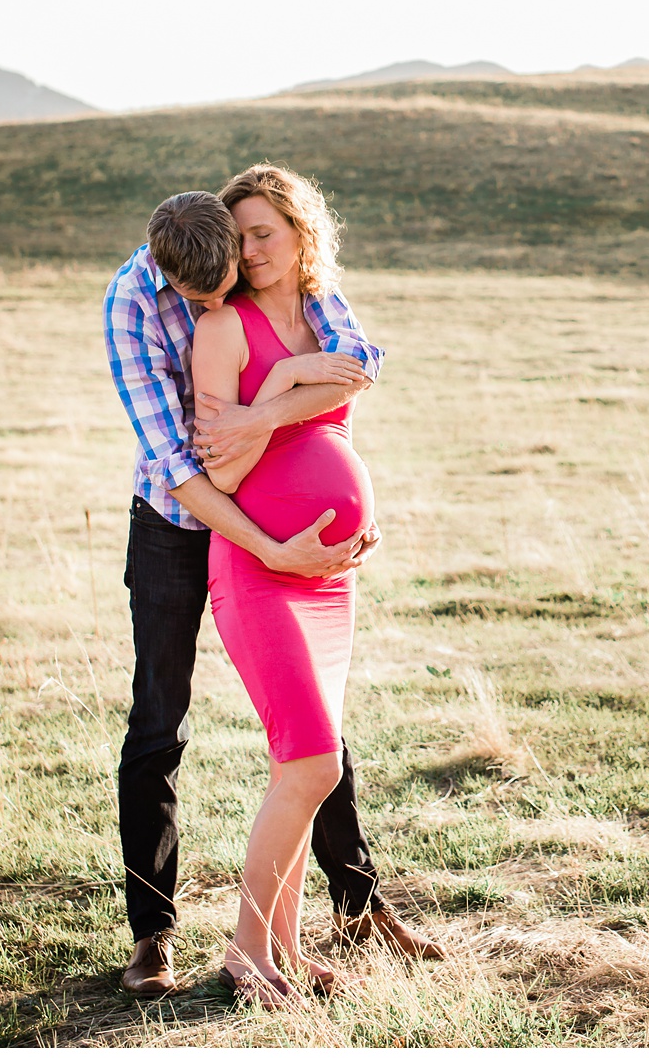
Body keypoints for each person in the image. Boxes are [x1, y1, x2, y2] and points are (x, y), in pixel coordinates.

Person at [103, 181, 442, 999]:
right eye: (211, 283)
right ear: (170, 272)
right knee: (160, 723)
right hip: (190, 526)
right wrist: (271, 540)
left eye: (257, 244)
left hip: (300, 552)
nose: (238, 273)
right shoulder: (140, 304)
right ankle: (155, 935)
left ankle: (349, 905)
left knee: (314, 744)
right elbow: (189, 465)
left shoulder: (288, 286)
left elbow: (356, 372)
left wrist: (295, 433)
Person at [190, 164, 385, 1001]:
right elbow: (218, 472)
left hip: (330, 582)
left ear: (302, 234)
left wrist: (272, 396)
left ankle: (287, 948)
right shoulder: (222, 330)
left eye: (264, 232)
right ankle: (244, 953)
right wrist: (282, 385)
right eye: (239, 238)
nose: (251, 250)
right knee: (311, 765)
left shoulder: (325, 319)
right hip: (261, 570)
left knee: (299, 771)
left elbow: (358, 376)